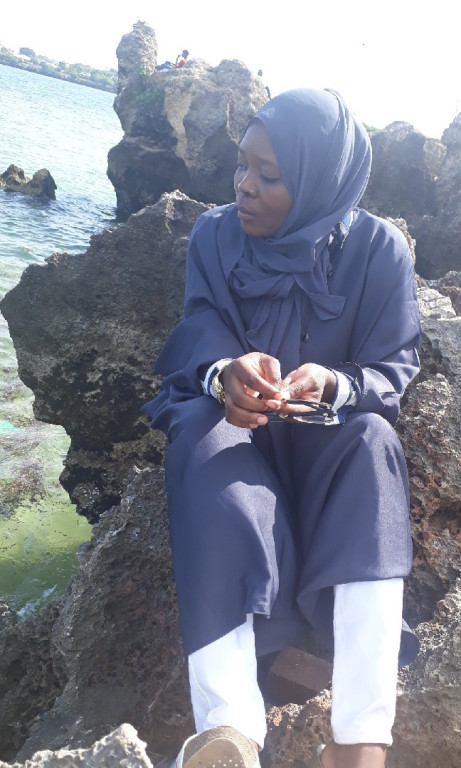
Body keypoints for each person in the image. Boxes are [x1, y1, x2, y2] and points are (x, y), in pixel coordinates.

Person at [142, 88, 421, 768]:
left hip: (325, 449)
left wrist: (334, 385)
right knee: (199, 439)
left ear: (322, 179)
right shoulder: (214, 236)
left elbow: (392, 367)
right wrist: (224, 376)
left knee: (374, 443)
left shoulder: (379, 250)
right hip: (238, 442)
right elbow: (201, 326)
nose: (243, 185)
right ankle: (228, 730)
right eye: (242, 165)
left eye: (268, 175)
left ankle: (359, 739)